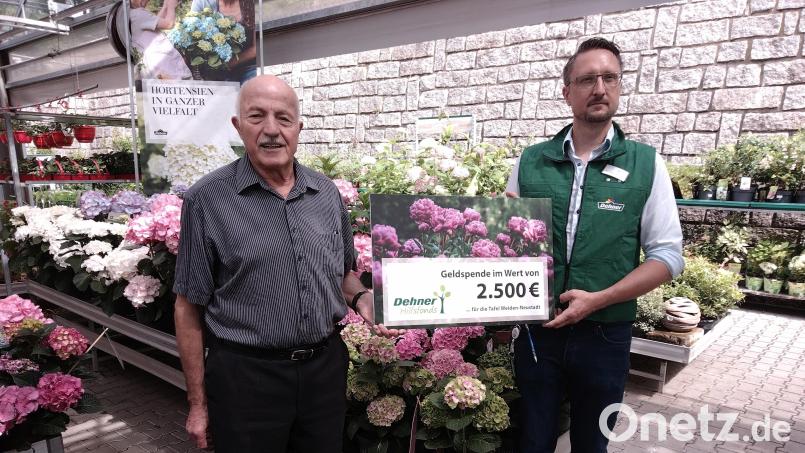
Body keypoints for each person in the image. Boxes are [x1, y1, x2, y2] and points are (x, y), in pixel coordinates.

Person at [173, 75, 381, 452]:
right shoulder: (207, 200)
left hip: (324, 371)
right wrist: (197, 405)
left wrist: (363, 297)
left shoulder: (326, 194)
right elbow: (188, 307)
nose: (271, 130)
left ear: (298, 127)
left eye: (283, 118)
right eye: (257, 117)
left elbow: (342, 275)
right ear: (238, 126)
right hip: (245, 379)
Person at [505, 37, 684, 452]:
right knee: (532, 440)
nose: (599, 88)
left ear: (620, 87)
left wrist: (598, 300)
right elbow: (508, 241)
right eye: (586, 79)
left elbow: (668, 256)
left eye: (609, 77)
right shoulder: (530, 161)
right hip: (539, 331)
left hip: (605, 335)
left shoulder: (646, 163)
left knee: (591, 444)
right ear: (567, 92)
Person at [190, 0, 257, 83]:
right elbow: (191, 35)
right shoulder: (203, 2)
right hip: (213, 71)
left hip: (247, 67)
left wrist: (228, 64)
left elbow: (257, 48)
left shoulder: (253, 3)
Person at [129, 0, 192, 80]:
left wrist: (165, 7)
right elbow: (169, 24)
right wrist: (171, 6)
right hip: (162, 62)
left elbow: (155, 22)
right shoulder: (138, 14)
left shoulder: (133, 15)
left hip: (156, 62)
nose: (147, 1)